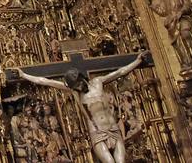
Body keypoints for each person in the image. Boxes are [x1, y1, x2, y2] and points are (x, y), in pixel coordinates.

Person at [14, 54, 146, 163]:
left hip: (113, 128)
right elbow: (45, 81)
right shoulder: (74, 92)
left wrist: (137, 61)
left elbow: (119, 72)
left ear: (82, 79)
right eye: (74, 86)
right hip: (97, 132)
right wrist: (24, 75)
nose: (77, 88)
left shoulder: (98, 82)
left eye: (77, 84)